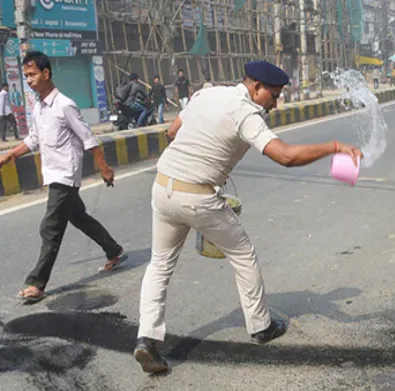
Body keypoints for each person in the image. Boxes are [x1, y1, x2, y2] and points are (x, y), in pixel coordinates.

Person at [133, 60, 364, 373]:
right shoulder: (246, 113)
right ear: (256, 87)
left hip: (163, 187)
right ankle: (261, 327)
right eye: (274, 94)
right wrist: (335, 146)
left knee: (160, 264)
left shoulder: (207, 94)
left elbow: (173, 131)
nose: (275, 102)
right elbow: (286, 157)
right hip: (199, 196)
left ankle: (147, 339)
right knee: (244, 254)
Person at [0, 51, 127, 304]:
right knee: (78, 217)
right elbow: (34, 139)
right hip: (53, 173)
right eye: (26, 76)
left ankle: (37, 283)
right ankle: (114, 250)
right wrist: (10, 154)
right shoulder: (38, 106)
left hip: (66, 175)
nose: (29, 80)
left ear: (46, 73)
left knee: (50, 227)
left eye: (33, 74)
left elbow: (88, 137)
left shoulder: (64, 105)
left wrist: (104, 167)